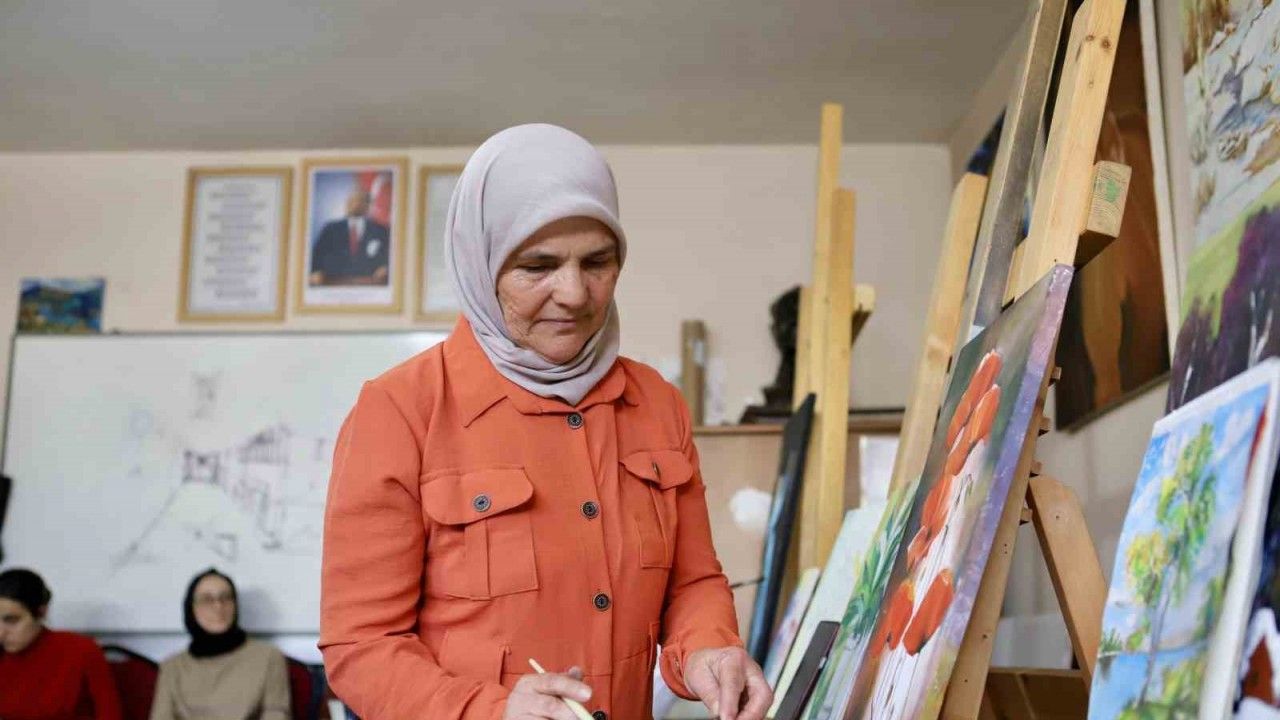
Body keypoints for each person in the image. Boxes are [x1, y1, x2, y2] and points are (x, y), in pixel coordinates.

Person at [320, 124, 772, 720]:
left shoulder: (658, 405)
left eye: (598, 262)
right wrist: (491, 712)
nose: (575, 294)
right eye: (538, 266)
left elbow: (692, 583)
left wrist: (709, 650)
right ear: (481, 266)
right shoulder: (399, 411)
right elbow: (361, 647)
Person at [150, 569, 290, 720]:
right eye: (207, 599)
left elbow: (276, 715)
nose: (218, 606)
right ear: (191, 608)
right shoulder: (172, 667)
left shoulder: (267, 658)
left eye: (226, 598)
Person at [0, 568, 123, 720]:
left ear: (41, 612)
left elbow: (110, 714)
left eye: (12, 620)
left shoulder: (80, 650)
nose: (1, 633)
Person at [308, 187, 391, 286]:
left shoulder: (380, 230)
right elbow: (317, 256)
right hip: (333, 283)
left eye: (357, 201)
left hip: (369, 284)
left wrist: (386, 267)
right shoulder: (330, 229)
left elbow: (390, 257)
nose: (352, 204)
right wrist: (315, 271)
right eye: (350, 201)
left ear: (367, 205)